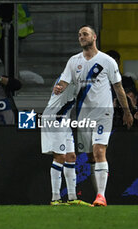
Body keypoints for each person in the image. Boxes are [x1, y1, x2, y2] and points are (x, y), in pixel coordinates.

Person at [53, 25, 133, 206]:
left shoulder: (107, 61)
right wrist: (60, 88)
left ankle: (101, 196)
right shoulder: (74, 61)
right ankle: (99, 194)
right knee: (90, 157)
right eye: (79, 34)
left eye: (85, 34)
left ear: (94, 37)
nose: (81, 37)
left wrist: (126, 111)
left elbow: (118, 88)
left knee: (99, 151)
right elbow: (65, 81)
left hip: (103, 112)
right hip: (82, 114)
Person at [41, 75, 90, 206]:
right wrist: (58, 87)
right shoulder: (68, 77)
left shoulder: (81, 80)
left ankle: (72, 197)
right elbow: (61, 84)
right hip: (54, 118)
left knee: (71, 156)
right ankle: (55, 198)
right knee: (60, 157)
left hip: (64, 120)